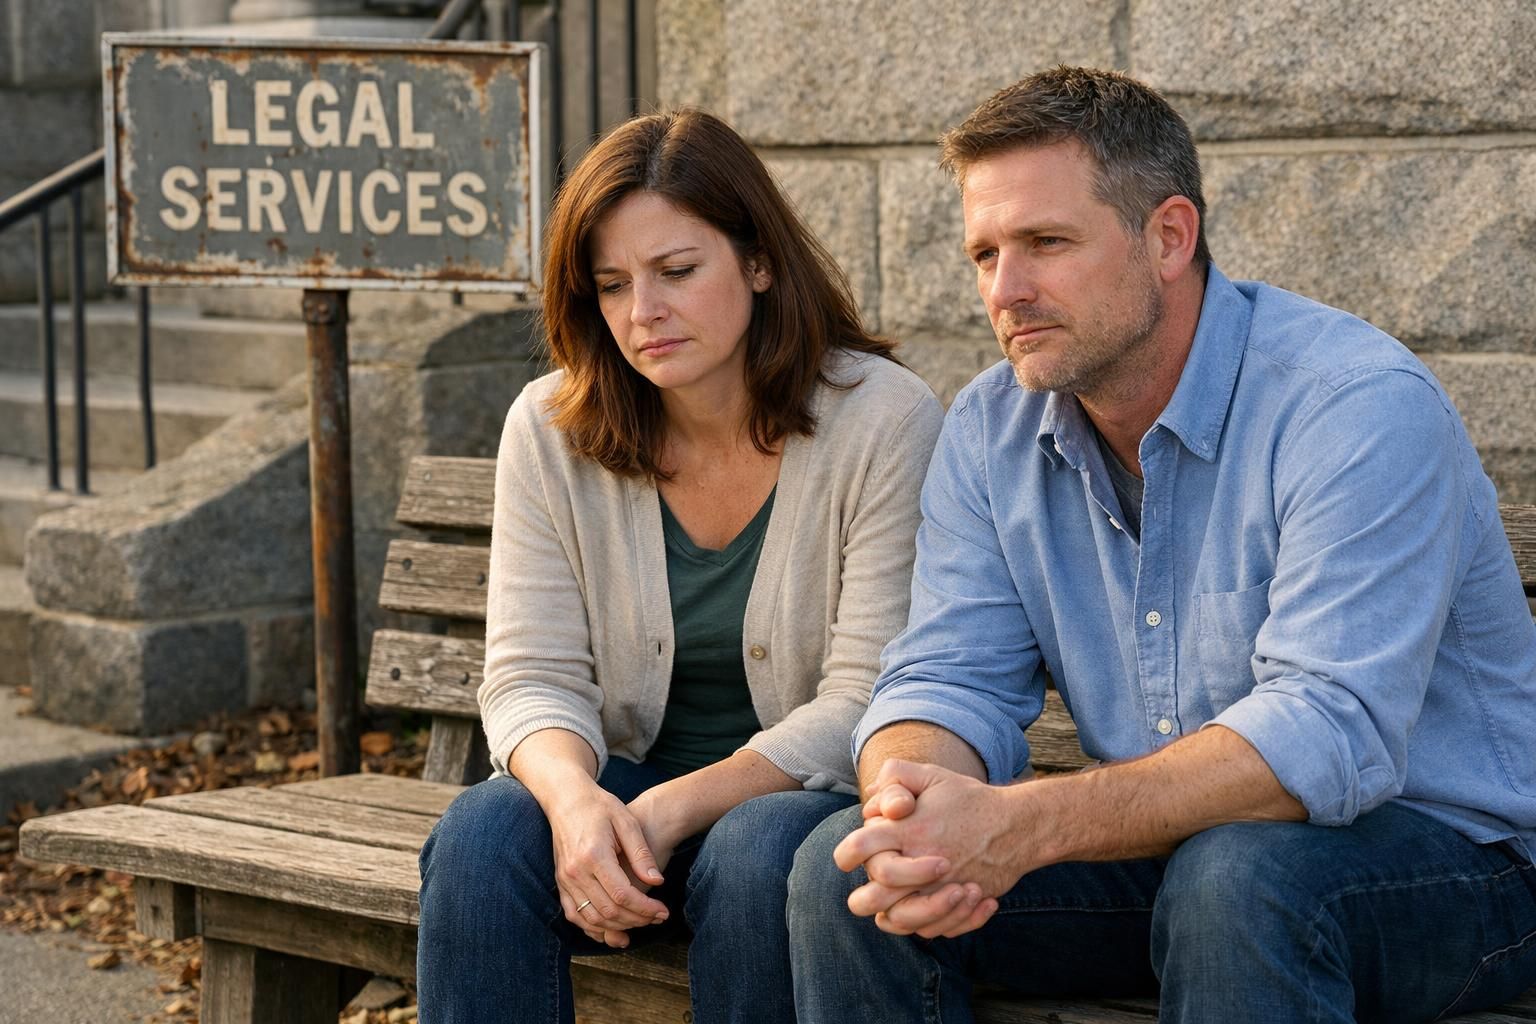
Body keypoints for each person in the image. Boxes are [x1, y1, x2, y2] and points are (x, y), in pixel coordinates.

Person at [787, 66, 1536, 1023]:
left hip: (1456, 863)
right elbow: (945, 676)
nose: (1005, 291)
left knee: (1240, 881)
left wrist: (1024, 824)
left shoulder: (1353, 407)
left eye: (1046, 243)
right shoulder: (989, 430)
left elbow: (1326, 729)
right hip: (1179, 856)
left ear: (1170, 236)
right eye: (983, 254)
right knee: (849, 871)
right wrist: (908, 809)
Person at [415, 108, 943, 1024]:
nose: (642, 313)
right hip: (622, 797)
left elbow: (868, 696)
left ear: (759, 262)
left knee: (754, 848)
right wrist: (577, 808)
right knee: (482, 834)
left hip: (802, 807)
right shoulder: (549, 428)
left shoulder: (883, 420)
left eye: (677, 271)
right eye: (612, 285)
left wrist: (669, 811)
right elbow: (531, 675)